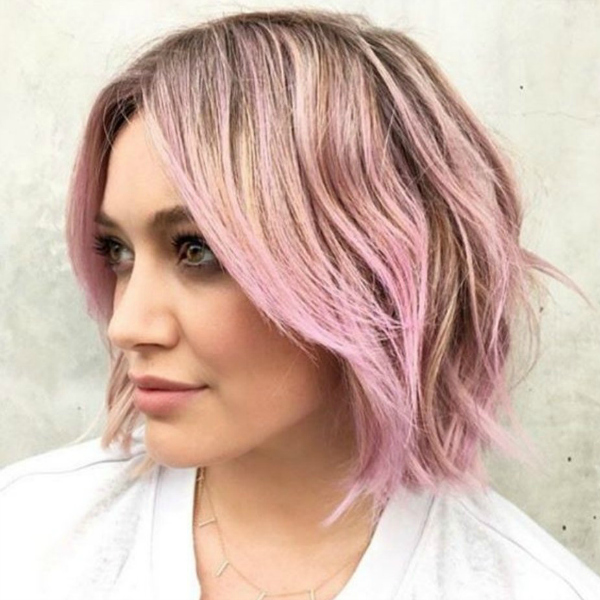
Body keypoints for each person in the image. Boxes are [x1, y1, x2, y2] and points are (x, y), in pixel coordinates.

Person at [0, 7, 598, 600]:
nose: (127, 325)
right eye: (118, 252)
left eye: (197, 250)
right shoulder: (28, 535)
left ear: (375, 268)